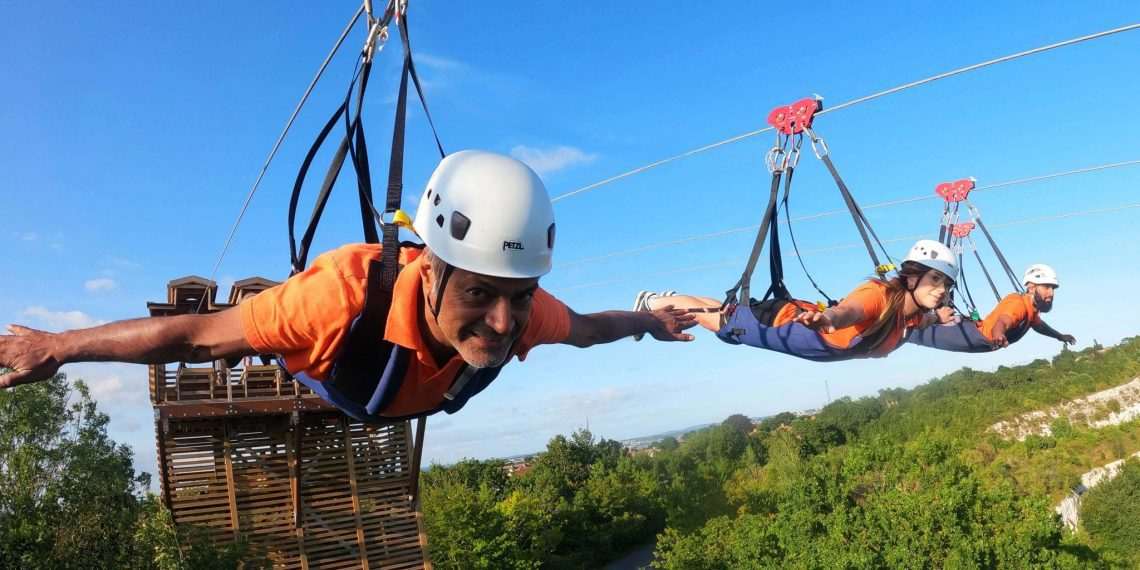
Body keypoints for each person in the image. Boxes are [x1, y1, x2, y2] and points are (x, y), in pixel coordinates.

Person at [0, 150, 697, 421]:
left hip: (385, 390)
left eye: (516, 296)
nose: (501, 321)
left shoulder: (525, 310)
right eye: (479, 294)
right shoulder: (335, 297)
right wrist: (57, 346)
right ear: (431, 266)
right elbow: (193, 336)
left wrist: (648, 319)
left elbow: (589, 330)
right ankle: (266, 329)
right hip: (334, 358)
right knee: (252, 331)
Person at [633, 240, 958, 362]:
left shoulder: (913, 314)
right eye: (935, 280)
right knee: (721, 320)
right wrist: (828, 320)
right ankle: (655, 302)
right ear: (912, 277)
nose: (941, 289)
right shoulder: (879, 296)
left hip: (800, 319)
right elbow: (849, 312)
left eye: (946, 284)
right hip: (782, 323)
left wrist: (940, 318)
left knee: (724, 311)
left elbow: (923, 322)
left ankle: (665, 298)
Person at [907, 263, 1076, 353]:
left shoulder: (1031, 309)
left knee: (914, 330)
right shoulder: (1018, 303)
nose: (1051, 293)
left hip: (980, 337)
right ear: (1031, 287)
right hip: (975, 337)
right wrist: (998, 333)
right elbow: (1004, 320)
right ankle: (887, 319)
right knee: (911, 333)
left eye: (1053, 288)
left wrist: (1059, 336)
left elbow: (1039, 325)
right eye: (1046, 287)